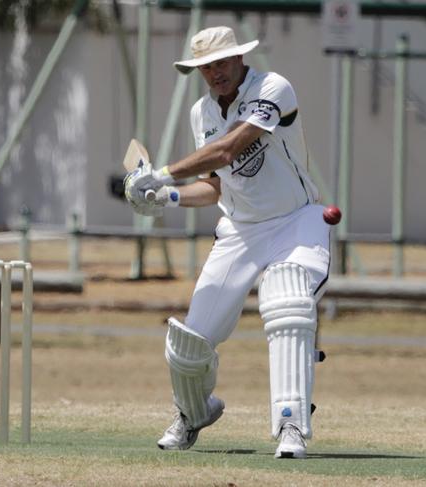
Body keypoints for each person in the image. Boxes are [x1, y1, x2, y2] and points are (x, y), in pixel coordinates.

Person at [124, 25, 331, 459]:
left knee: (288, 307)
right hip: (240, 230)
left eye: (221, 62)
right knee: (189, 342)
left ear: (239, 59)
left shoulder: (273, 89)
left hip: (294, 221)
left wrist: (160, 174)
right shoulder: (202, 112)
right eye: (205, 67)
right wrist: (169, 196)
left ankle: (291, 425)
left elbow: (229, 149)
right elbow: (217, 185)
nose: (214, 73)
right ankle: (193, 413)